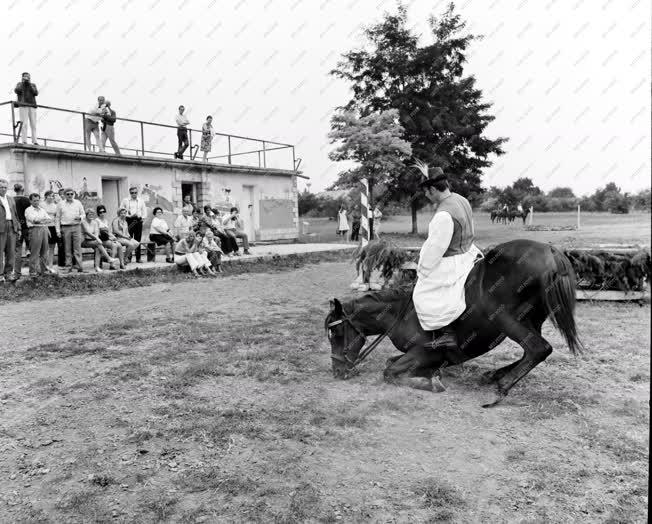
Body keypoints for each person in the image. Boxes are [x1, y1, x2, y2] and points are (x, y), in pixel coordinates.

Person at [412, 167, 483, 357]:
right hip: (469, 252)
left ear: (433, 190)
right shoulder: (461, 199)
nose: (426, 196)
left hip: (454, 260)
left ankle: (446, 333)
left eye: (426, 193)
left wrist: (422, 269)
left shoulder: (443, 215)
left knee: (422, 293)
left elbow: (435, 248)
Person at [55, 188, 86, 273]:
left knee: (77, 248)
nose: (69, 196)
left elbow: (83, 214)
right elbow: (57, 218)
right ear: (64, 195)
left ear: (74, 194)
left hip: (76, 227)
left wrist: (80, 217)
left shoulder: (78, 203)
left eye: (71, 194)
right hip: (65, 227)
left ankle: (80, 267)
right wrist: (58, 230)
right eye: (67, 194)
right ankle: (68, 266)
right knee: (67, 248)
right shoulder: (60, 204)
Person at [24, 193, 54, 276]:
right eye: (34, 201)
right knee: (35, 251)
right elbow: (34, 220)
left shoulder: (42, 209)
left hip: (44, 229)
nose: (36, 202)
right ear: (30, 201)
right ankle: (33, 271)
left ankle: (43, 270)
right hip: (34, 230)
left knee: (44, 251)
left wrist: (41, 220)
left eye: (37, 200)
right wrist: (42, 219)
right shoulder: (28, 210)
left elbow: (49, 219)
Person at [81, 208, 118, 272]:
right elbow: (87, 232)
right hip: (83, 241)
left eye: (92, 214)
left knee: (98, 248)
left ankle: (97, 267)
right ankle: (108, 258)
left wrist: (96, 238)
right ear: (86, 215)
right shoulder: (83, 222)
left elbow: (96, 232)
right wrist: (97, 239)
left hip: (92, 240)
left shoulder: (94, 222)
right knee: (98, 243)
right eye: (89, 214)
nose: (91, 216)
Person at [0, 178, 20, 282]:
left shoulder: (11, 199)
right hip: (0, 227)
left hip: (11, 226)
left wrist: (18, 228)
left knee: (11, 251)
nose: (3, 189)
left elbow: (15, 214)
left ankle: (8, 273)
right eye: (1, 187)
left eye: (5, 187)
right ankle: (0, 275)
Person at [120, 186, 147, 263]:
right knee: (129, 238)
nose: (134, 194)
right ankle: (129, 257)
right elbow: (121, 210)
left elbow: (144, 211)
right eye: (132, 193)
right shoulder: (125, 200)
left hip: (138, 221)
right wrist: (128, 216)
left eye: (135, 192)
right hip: (129, 220)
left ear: (137, 193)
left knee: (138, 239)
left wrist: (142, 219)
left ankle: (138, 258)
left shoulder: (141, 200)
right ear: (130, 193)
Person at [14, 72, 39, 145]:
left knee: (33, 124)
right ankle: (24, 140)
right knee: (24, 123)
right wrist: (23, 83)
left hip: (32, 105)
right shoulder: (19, 84)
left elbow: (36, 93)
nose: (27, 78)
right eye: (25, 77)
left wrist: (29, 84)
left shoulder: (33, 85)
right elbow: (16, 90)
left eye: (28, 77)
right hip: (23, 105)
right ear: (22, 77)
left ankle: (35, 141)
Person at [42, 190, 65, 268]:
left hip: (53, 227)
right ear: (45, 196)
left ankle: (50, 265)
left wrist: (57, 229)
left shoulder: (55, 206)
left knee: (52, 247)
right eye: (50, 196)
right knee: (44, 247)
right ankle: (43, 266)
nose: (51, 198)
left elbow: (57, 218)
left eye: (53, 196)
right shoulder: (41, 205)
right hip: (44, 227)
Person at [12, 183, 31, 275]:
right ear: (22, 190)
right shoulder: (27, 200)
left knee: (17, 250)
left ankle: (17, 272)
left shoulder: (11, 200)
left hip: (16, 228)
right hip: (27, 227)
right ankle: (32, 270)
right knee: (31, 249)